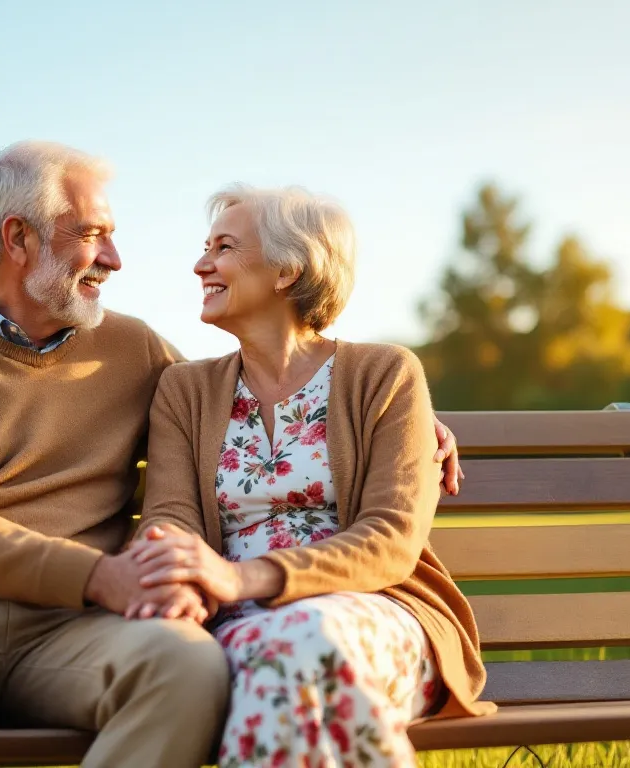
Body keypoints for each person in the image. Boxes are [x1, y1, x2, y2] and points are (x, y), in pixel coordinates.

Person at [0, 141, 465, 768]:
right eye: (94, 235)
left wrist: (408, 420)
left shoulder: (135, 350)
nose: (117, 259)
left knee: (185, 665)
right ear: (18, 240)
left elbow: (260, 397)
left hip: (71, 629)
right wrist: (103, 578)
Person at [127, 184, 495, 768]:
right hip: (237, 625)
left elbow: (390, 541)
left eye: (223, 247)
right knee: (282, 657)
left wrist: (243, 578)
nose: (201, 264)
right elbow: (170, 516)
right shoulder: (185, 390)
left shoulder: (384, 374)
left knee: (298, 644)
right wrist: (180, 575)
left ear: (287, 269)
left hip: (376, 613)